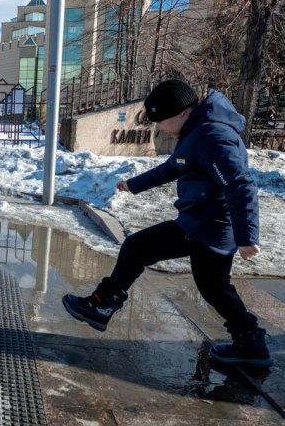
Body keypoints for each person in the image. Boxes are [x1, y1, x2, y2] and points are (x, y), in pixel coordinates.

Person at [62, 79, 271, 367]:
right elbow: (175, 166)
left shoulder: (212, 135)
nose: (159, 127)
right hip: (204, 223)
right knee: (213, 286)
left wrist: (247, 235)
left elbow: (240, 184)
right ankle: (251, 342)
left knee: (139, 248)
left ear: (182, 112)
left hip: (207, 225)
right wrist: (133, 184)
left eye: (161, 120)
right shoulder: (197, 131)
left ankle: (101, 305)